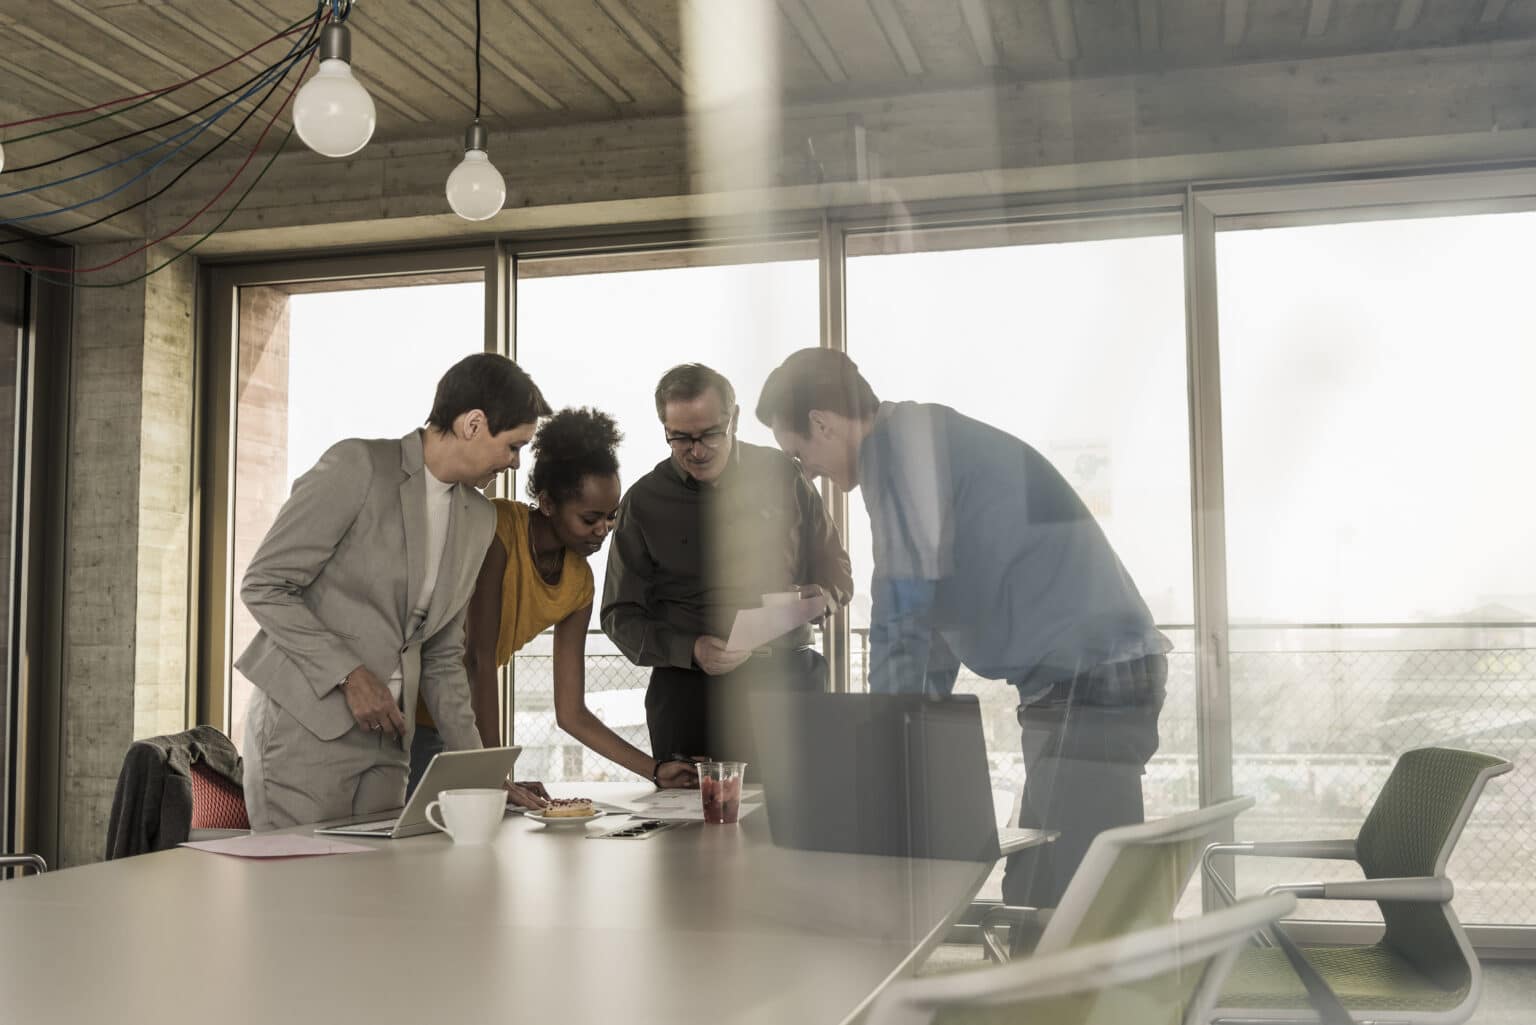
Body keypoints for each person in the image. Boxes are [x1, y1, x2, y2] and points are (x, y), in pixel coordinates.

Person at [754, 348, 1170, 908]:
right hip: (1095, 674)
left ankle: (1070, 995)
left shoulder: (899, 455)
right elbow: (930, 621)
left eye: (801, 455)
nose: (812, 473)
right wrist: (911, 732)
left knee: (1064, 895)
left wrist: (883, 743)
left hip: (1089, 678)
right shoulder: (922, 437)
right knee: (1058, 881)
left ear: (822, 424)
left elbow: (901, 609)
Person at [237, 353, 553, 830]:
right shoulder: (357, 466)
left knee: (377, 892)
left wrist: (482, 772)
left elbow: (444, 656)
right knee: (298, 896)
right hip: (303, 728)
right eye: (513, 446)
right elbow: (264, 586)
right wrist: (350, 675)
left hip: (390, 742)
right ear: (473, 424)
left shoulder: (479, 518)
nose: (514, 464)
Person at [407, 408, 700, 797]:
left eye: (611, 518)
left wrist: (655, 770)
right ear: (547, 503)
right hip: (407, 713)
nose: (603, 531)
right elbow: (478, 658)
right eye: (590, 518)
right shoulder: (496, 530)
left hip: (459, 732)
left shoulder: (580, 584)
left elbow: (571, 712)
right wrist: (496, 775)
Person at [601, 363, 853, 772]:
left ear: (733, 419)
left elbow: (839, 575)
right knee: (689, 830)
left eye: (709, 434)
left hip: (789, 685)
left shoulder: (782, 475)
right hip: (687, 697)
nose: (696, 450)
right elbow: (618, 616)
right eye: (679, 437)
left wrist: (818, 596)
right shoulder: (643, 501)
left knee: (801, 825)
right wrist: (691, 649)